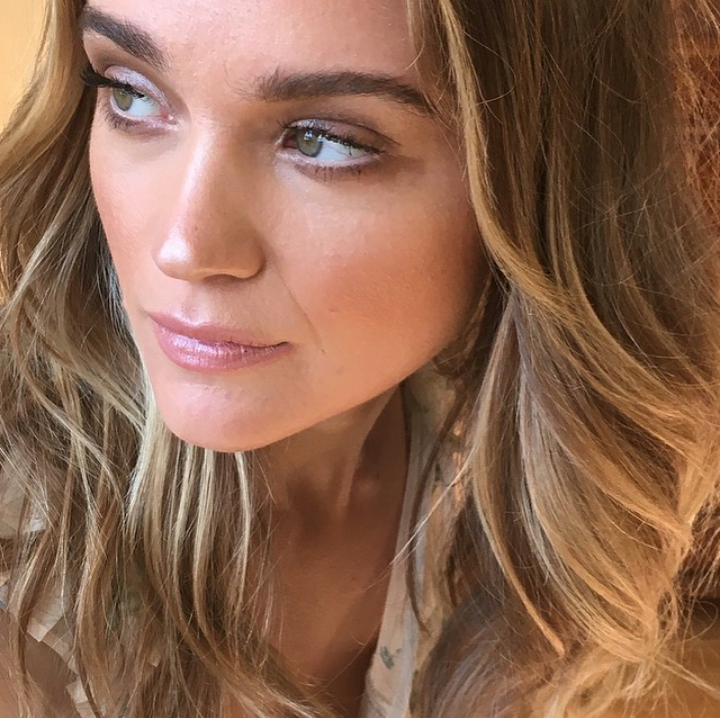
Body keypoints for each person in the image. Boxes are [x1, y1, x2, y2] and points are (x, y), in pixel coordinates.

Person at [0, 0, 719, 716]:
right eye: (130, 94)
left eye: (324, 141)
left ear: (542, 182)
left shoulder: (508, 476)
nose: (185, 249)